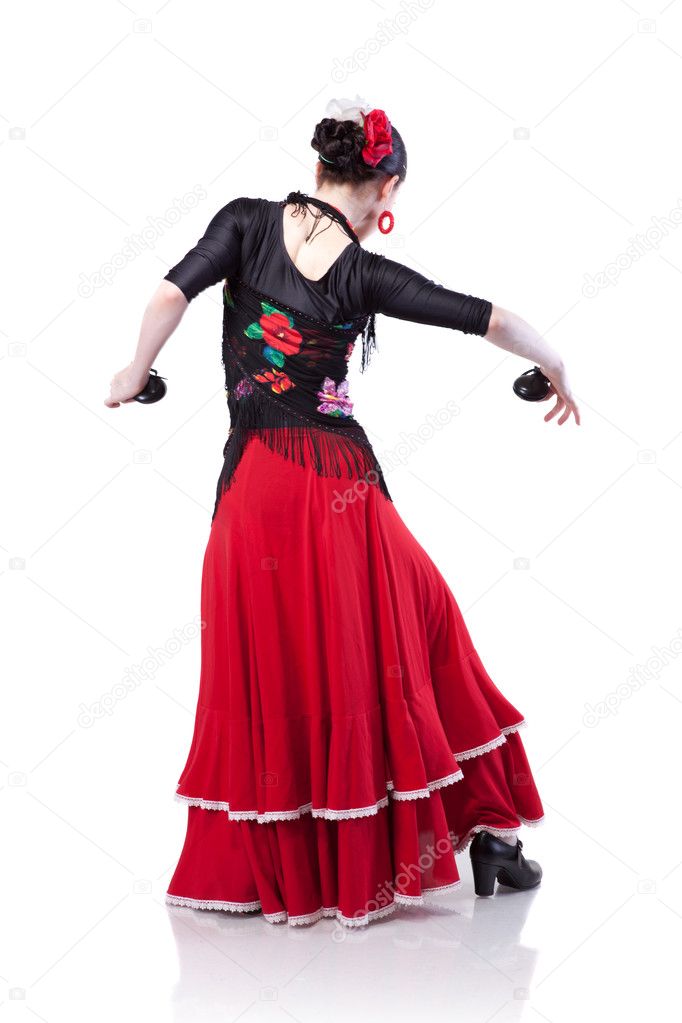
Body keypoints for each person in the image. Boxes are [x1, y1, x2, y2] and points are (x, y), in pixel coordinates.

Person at [105, 96, 580, 928]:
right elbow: (487, 317)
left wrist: (132, 373)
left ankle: (284, 862)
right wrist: (556, 363)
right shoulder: (364, 270)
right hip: (337, 492)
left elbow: (168, 298)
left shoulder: (245, 222)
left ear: (321, 170)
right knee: (424, 633)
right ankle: (491, 836)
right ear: (384, 189)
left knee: (276, 661)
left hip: (251, 489)